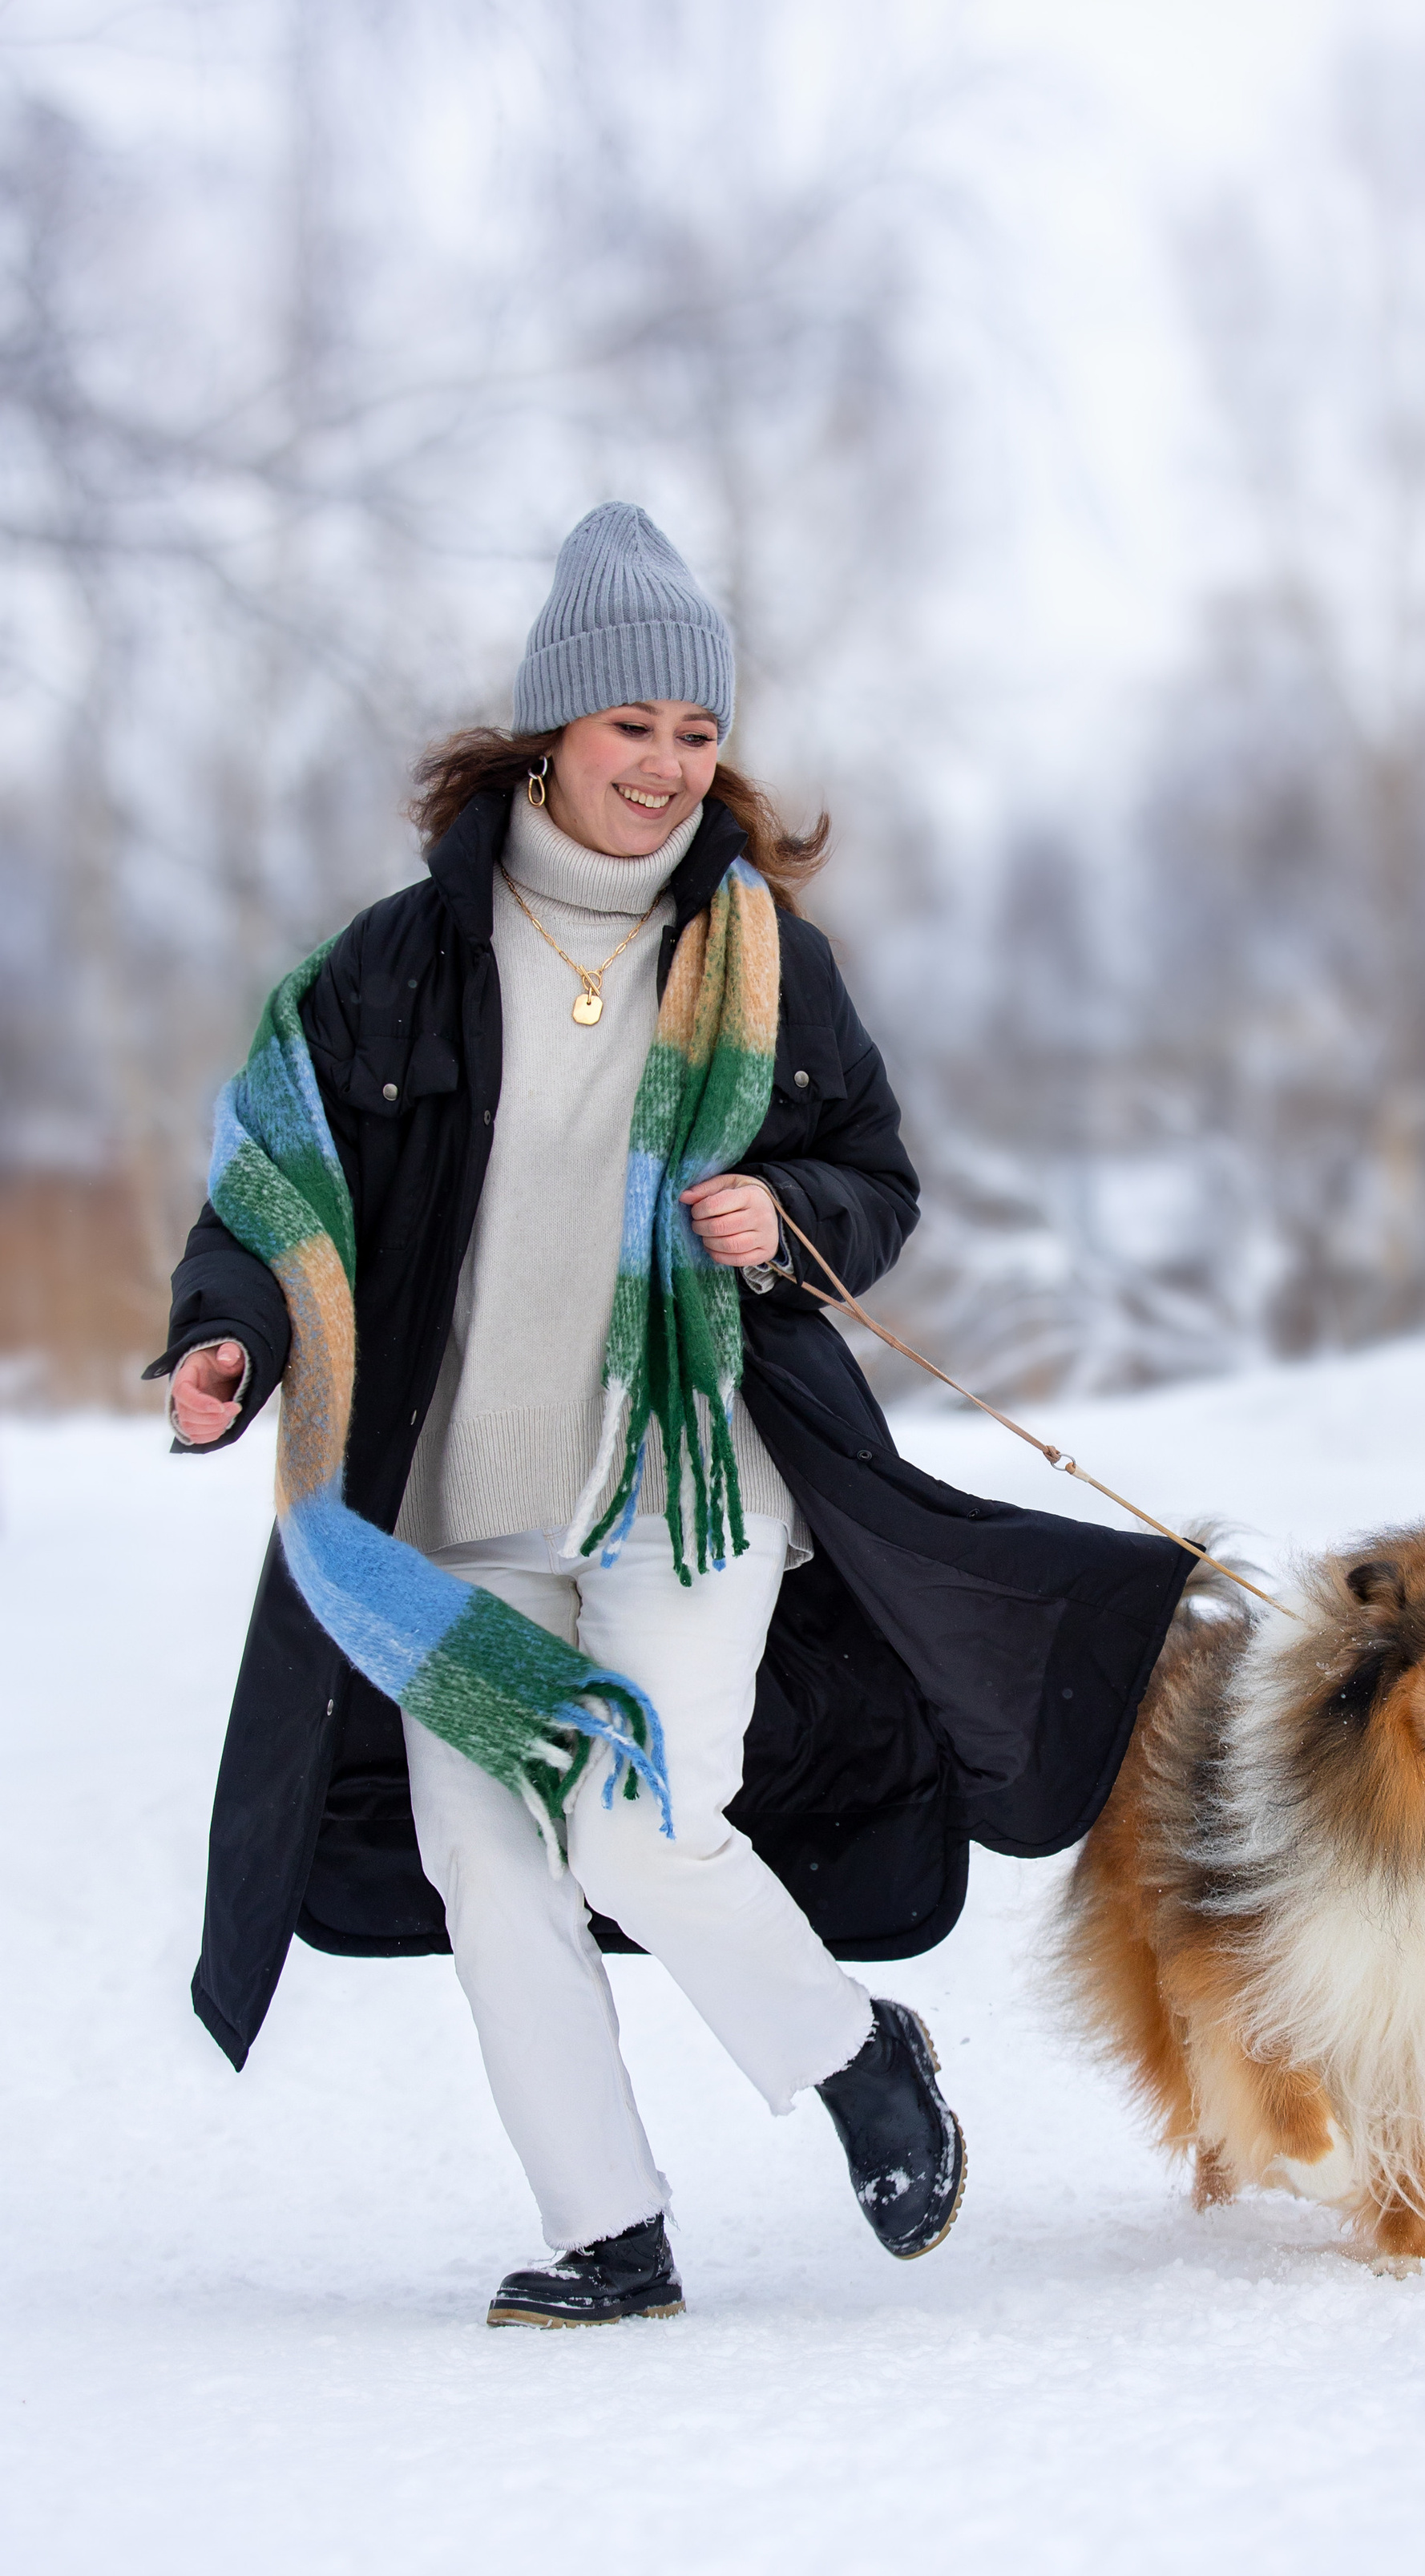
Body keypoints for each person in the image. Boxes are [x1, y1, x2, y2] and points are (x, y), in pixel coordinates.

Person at [153, 502, 1189, 2324]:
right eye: (631, 724)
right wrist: (227, 1337)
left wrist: (788, 1219)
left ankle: (855, 2051)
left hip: (685, 1488)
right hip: (450, 1508)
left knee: (632, 1814)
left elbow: (874, 1177)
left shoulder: (764, 961)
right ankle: (603, 2230)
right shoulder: (393, 964)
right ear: (551, 727)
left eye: (695, 733)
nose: (664, 765)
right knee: (486, 1858)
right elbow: (273, 1189)